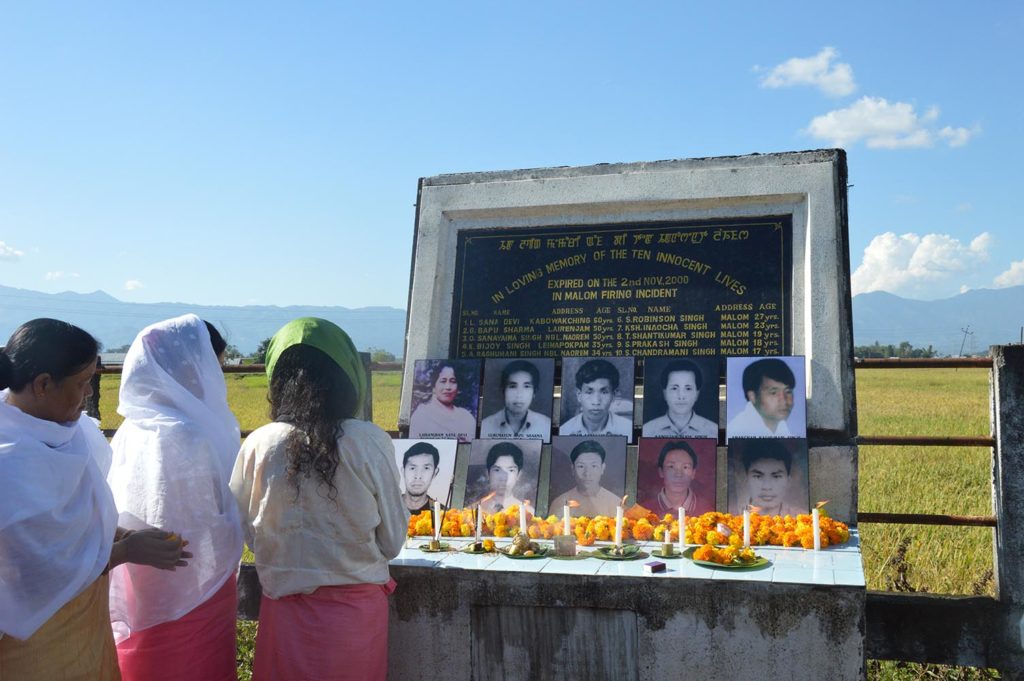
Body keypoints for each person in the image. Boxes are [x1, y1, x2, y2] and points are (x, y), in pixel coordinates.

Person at [0, 318, 189, 680]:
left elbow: (73, 522)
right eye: (83, 382)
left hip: (86, 622)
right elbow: (33, 571)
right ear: (42, 385)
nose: (89, 393)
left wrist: (117, 535)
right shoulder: (10, 463)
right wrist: (125, 552)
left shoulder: (77, 433)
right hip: (32, 643)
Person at [231, 317, 406, 681]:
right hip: (353, 621)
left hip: (284, 616)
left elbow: (248, 532)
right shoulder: (368, 441)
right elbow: (392, 541)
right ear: (348, 377)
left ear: (276, 379)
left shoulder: (261, 443)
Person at [106, 314, 243, 681]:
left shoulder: (130, 429)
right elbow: (209, 521)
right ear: (191, 366)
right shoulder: (190, 434)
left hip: (142, 581)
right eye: (214, 365)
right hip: (199, 582)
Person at [642, 359, 718, 438]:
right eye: (674, 388)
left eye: (688, 388)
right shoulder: (647, 431)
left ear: (697, 394)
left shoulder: (713, 431)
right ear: (665, 393)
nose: (681, 396)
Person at [479, 359, 551, 440]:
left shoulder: (547, 426)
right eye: (512, 386)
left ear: (534, 392)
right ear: (503, 390)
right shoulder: (485, 426)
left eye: (526, 386)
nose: (519, 394)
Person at [558, 359, 632, 437]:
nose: (596, 402)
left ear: (613, 395)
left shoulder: (628, 431)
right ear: (579, 395)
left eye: (604, 392)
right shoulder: (564, 432)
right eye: (589, 392)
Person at [549, 440, 622, 518]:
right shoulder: (559, 503)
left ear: (602, 468)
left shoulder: (616, 503)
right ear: (573, 469)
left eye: (594, 466)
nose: (587, 473)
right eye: (581, 466)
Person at [727, 358, 796, 439]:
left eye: (788, 391)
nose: (784, 401)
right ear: (752, 396)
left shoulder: (780, 426)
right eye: (773, 393)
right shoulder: (738, 431)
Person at [408, 361, 477, 441]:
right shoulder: (421, 415)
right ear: (434, 386)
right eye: (443, 381)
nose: (448, 387)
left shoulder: (466, 417)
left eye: (453, 381)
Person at [736, 439, 805, 517]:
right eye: (758, 477)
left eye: (776, 477)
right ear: (746, 480)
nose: (767, 486)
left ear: (788, 481)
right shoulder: (732, 517)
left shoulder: (802, 519)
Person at [639, 441, 706, 516]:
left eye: (685, 467)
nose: (678, 474)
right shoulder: (644, 511)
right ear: (661, 471)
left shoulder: (707, 511)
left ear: (693, 473)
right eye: (671, 467)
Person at [469, 441, 525, 515]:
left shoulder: (527, 512)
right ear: (487, 473)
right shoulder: (471, 511)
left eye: (511, 470)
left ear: (519, 475)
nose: (503, 478)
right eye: (497, 470)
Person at [400, 441, 441, 514]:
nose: (418, 476)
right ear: (403, 471)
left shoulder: (443, 515)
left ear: (435, 473)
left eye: (426, 468)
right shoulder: (386, 508)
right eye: (412, 468)